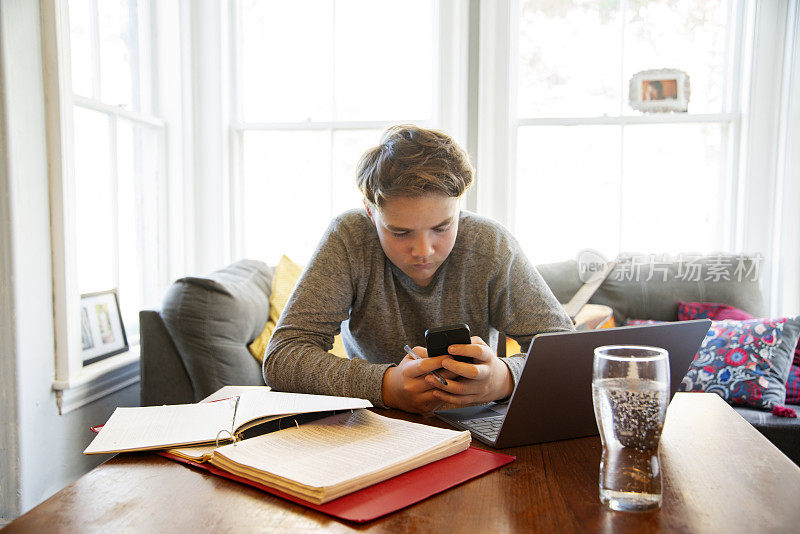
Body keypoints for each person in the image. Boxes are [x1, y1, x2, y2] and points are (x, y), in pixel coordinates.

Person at [263, 125, 574, 414]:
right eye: (400, 232)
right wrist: (388, 386)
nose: (424, 250)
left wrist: (503, 379)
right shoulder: (349, 238)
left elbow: (565, 351)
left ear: (459, 205)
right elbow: (283, 356)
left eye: (442, 227)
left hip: (478, 425)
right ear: (371, 213)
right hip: (380, 424)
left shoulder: (489, 243)